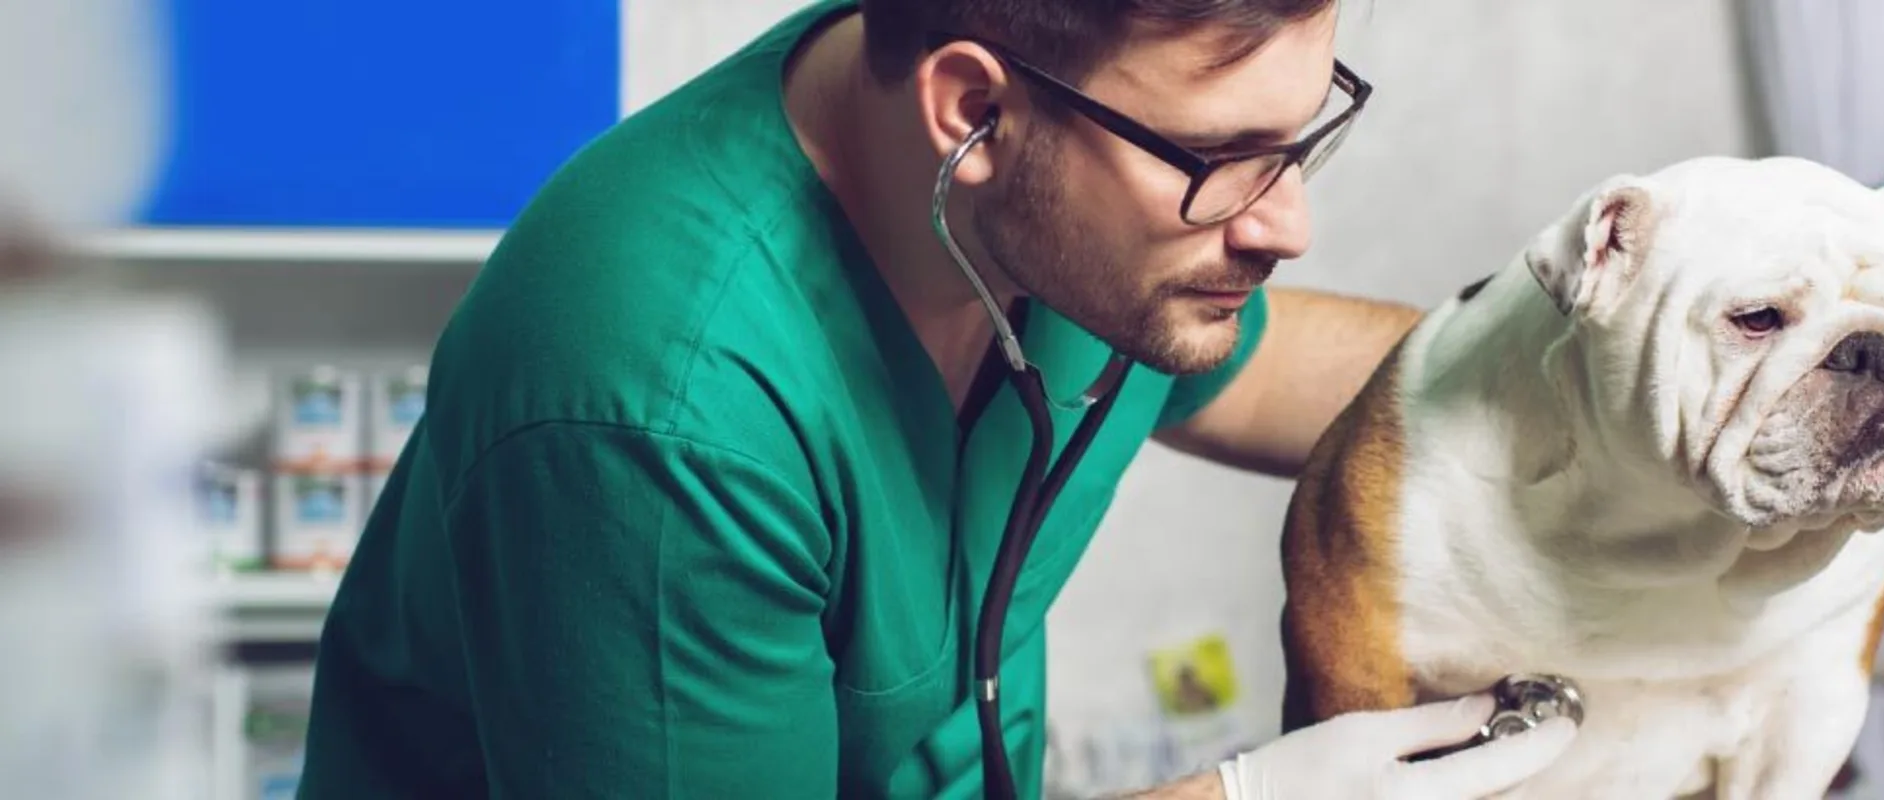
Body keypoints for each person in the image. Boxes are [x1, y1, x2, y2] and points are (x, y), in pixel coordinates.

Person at [294, 0, 1578, 797]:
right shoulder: (658, 406)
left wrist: (1633, 376)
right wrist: (1240, 797)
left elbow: (1297, 372)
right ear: (974, 110)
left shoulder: (1069, 229)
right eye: (1220, 161)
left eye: (1295, 141)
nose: (1286, 225)